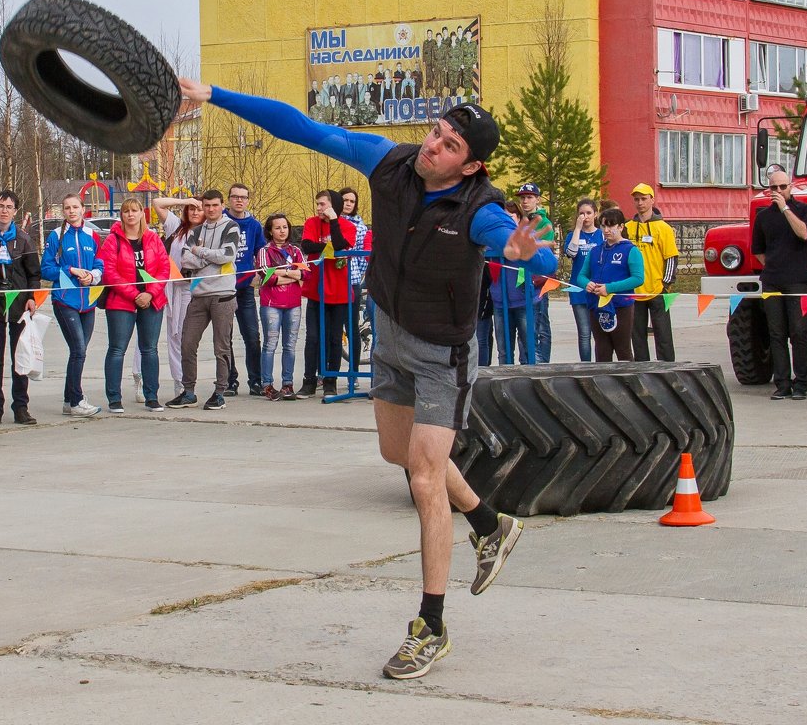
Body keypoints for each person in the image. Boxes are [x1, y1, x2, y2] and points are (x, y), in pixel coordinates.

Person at [179, 77, 555, 680]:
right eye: (437, 132)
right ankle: (491, 524)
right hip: (391, 335)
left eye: (451, 144)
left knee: (426, 479)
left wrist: (522, 254)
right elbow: (299, 127)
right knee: (397, 454)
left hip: (443, 353)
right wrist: (214, 95)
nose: (434, 146)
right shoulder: (391, 161)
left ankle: (431, 625)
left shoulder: (480, 209)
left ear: (472, 163)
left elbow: (536, 256)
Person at [167, 189, 240, 411]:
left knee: (221, 346)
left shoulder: (230, 227)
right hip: (198, 295)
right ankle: (188, 391)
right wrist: (207, 257)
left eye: (214, 205)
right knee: (187, 343)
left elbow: (227, 255)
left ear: (222, 205)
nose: (210, 209)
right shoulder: (195, 230)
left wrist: (200, 251)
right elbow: (186, 261)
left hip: (223, 295)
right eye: (206, 206)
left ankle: (220, 392)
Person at [98, 198, 169, 413]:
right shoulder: (112, 240)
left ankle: (151, 396)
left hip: (151, 300)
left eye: (135, 210)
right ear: (122, 215)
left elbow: (164, 269)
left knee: (150, 350)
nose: (130, 215)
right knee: (117, 349)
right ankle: (114, 398)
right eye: (126, 211)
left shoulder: (153, 239)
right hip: (121, 302)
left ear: (142, 214)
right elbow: (110, 272)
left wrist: (150, 293)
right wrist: (133, 294)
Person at [0, 191, 40, 426]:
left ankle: (21, 406)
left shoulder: (24, 239)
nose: (4, 210)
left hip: (18, 304)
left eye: (9, 207)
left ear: (15, 212)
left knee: (19, 356)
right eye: (1, 206)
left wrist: (31, 297)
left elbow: (34, 273)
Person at [752, 168, 807, 399]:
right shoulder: (763, 217)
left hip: (797, 281)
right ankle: (782, 384)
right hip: (772, 281)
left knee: (798, 333)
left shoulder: (805, 211)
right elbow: (757, 250)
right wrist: (774, 266)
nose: (778, 191)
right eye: (774, 187)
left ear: (790, 187)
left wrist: (785, 208)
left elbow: (805, 234)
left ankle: (801, 385)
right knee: (776, 334)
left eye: (782, 186)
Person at [41, 193, 104, 418]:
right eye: (67, 207)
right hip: (64, 300)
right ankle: (77, 400)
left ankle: (69, 400)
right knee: (78, 350)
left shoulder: (92, 235)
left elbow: (100, 263)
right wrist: (71, 271)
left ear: (83, 209)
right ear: (63, 212)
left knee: (79, 352)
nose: (71, 211)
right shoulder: (56, 236)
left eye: (75, 207)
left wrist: (93, 276)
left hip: (88, 301)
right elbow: (46, 269)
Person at [298, 189, 357, 398]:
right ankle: (309, 381)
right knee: (313, 337)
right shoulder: (311, 223)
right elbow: (307, 245)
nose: (318, 208)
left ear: (333, 206)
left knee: (334, 338)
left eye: (322, 204)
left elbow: (342, 245)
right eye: (318, 204)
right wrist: (330, 247)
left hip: (339, 291)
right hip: (317, 290)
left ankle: (330, 380)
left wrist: (333, 222)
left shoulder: (348, 226)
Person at [576, 208, 644, 362]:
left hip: (620, 306)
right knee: (602, 350)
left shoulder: (630, 250)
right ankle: (603, 383)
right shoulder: (595, 250)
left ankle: (629, 383)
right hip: (597, 306)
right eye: (603, 226)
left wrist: (610, 288)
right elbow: (581, 276)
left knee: (623, 349)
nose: (606, 230)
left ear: (620, 227)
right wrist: (587, 284)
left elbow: (638, 278)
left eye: (611, 226)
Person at [152, 196, 203, 396]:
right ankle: (179, 381)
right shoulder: (176, 227)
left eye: (199, 209)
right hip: (172, 286)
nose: (195, 212)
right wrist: (186, 200)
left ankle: (188, 380)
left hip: (194, 288)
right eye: (192, 209)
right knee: (173, 335)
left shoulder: (208, 231)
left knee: (187, 336)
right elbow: (157, 203)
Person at [255, 213, 306, 400]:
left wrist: (279, 272)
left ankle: (288, 384)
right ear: (270, 230)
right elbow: (266, 276)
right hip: (271, 303)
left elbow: (304, 274)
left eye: (285, 227)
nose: (282, 231)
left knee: (290, 345)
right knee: (270, 344)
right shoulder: (264, 251)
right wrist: (290, 273)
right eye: (277, 227)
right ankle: (267, 384)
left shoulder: (296, 251)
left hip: (293, 303)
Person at [625, 183, 678, 362]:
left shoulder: (663, 228)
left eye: (643, 199)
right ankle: (642, 368)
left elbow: (671, 257)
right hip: (634, 291)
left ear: (652, 200)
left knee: (663, 334)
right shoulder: (628, 227)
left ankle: (667, 368)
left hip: (657, 289)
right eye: (636, 199)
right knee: (637, 335)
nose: (640, 203)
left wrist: (665, 284)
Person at [224, 182, 266, 397]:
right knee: (225, 337)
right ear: (228, 199)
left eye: (243, 197)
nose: (239, 200)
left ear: (248, 200)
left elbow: (261, 252)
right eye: (235, 196)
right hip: (223, 288)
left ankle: (255, 381)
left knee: (252, 336)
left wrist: (258, 274)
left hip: (245, 288)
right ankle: (230, 381)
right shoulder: (220, 220)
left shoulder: (254, 225)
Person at [515, 183, 555, 363]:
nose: (525, 201)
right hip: (523, 281)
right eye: (522, 197)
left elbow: (538, 252)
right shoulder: (523, 222)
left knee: (539, 326)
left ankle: (540, 362)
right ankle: (528, 361)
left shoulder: (544, 223)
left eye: (529, 197)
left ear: (537, 199)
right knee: (526, 327)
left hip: (538, 282)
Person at [341, 187, 373, 375]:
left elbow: (362, 256)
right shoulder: (332, 222)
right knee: (332, 330)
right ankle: (328, 374)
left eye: (351, 201)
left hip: (352, 281)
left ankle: (353, 372)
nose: (347, 204)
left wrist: (356, 275)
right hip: (333, 282)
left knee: (351, 327)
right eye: (344, 200)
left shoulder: (360, 227)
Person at [565, 198, 601, 362]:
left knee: (600, 332)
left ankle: (601, 363)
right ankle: (585, 365)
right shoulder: (573, 235)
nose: (585, 216)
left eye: (588, 213)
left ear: (595, 214)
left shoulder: (601, 234)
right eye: (581, 213)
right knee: (584, 333)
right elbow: (571, 253)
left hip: (599, 289)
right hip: (579, 290)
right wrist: (578, 229)